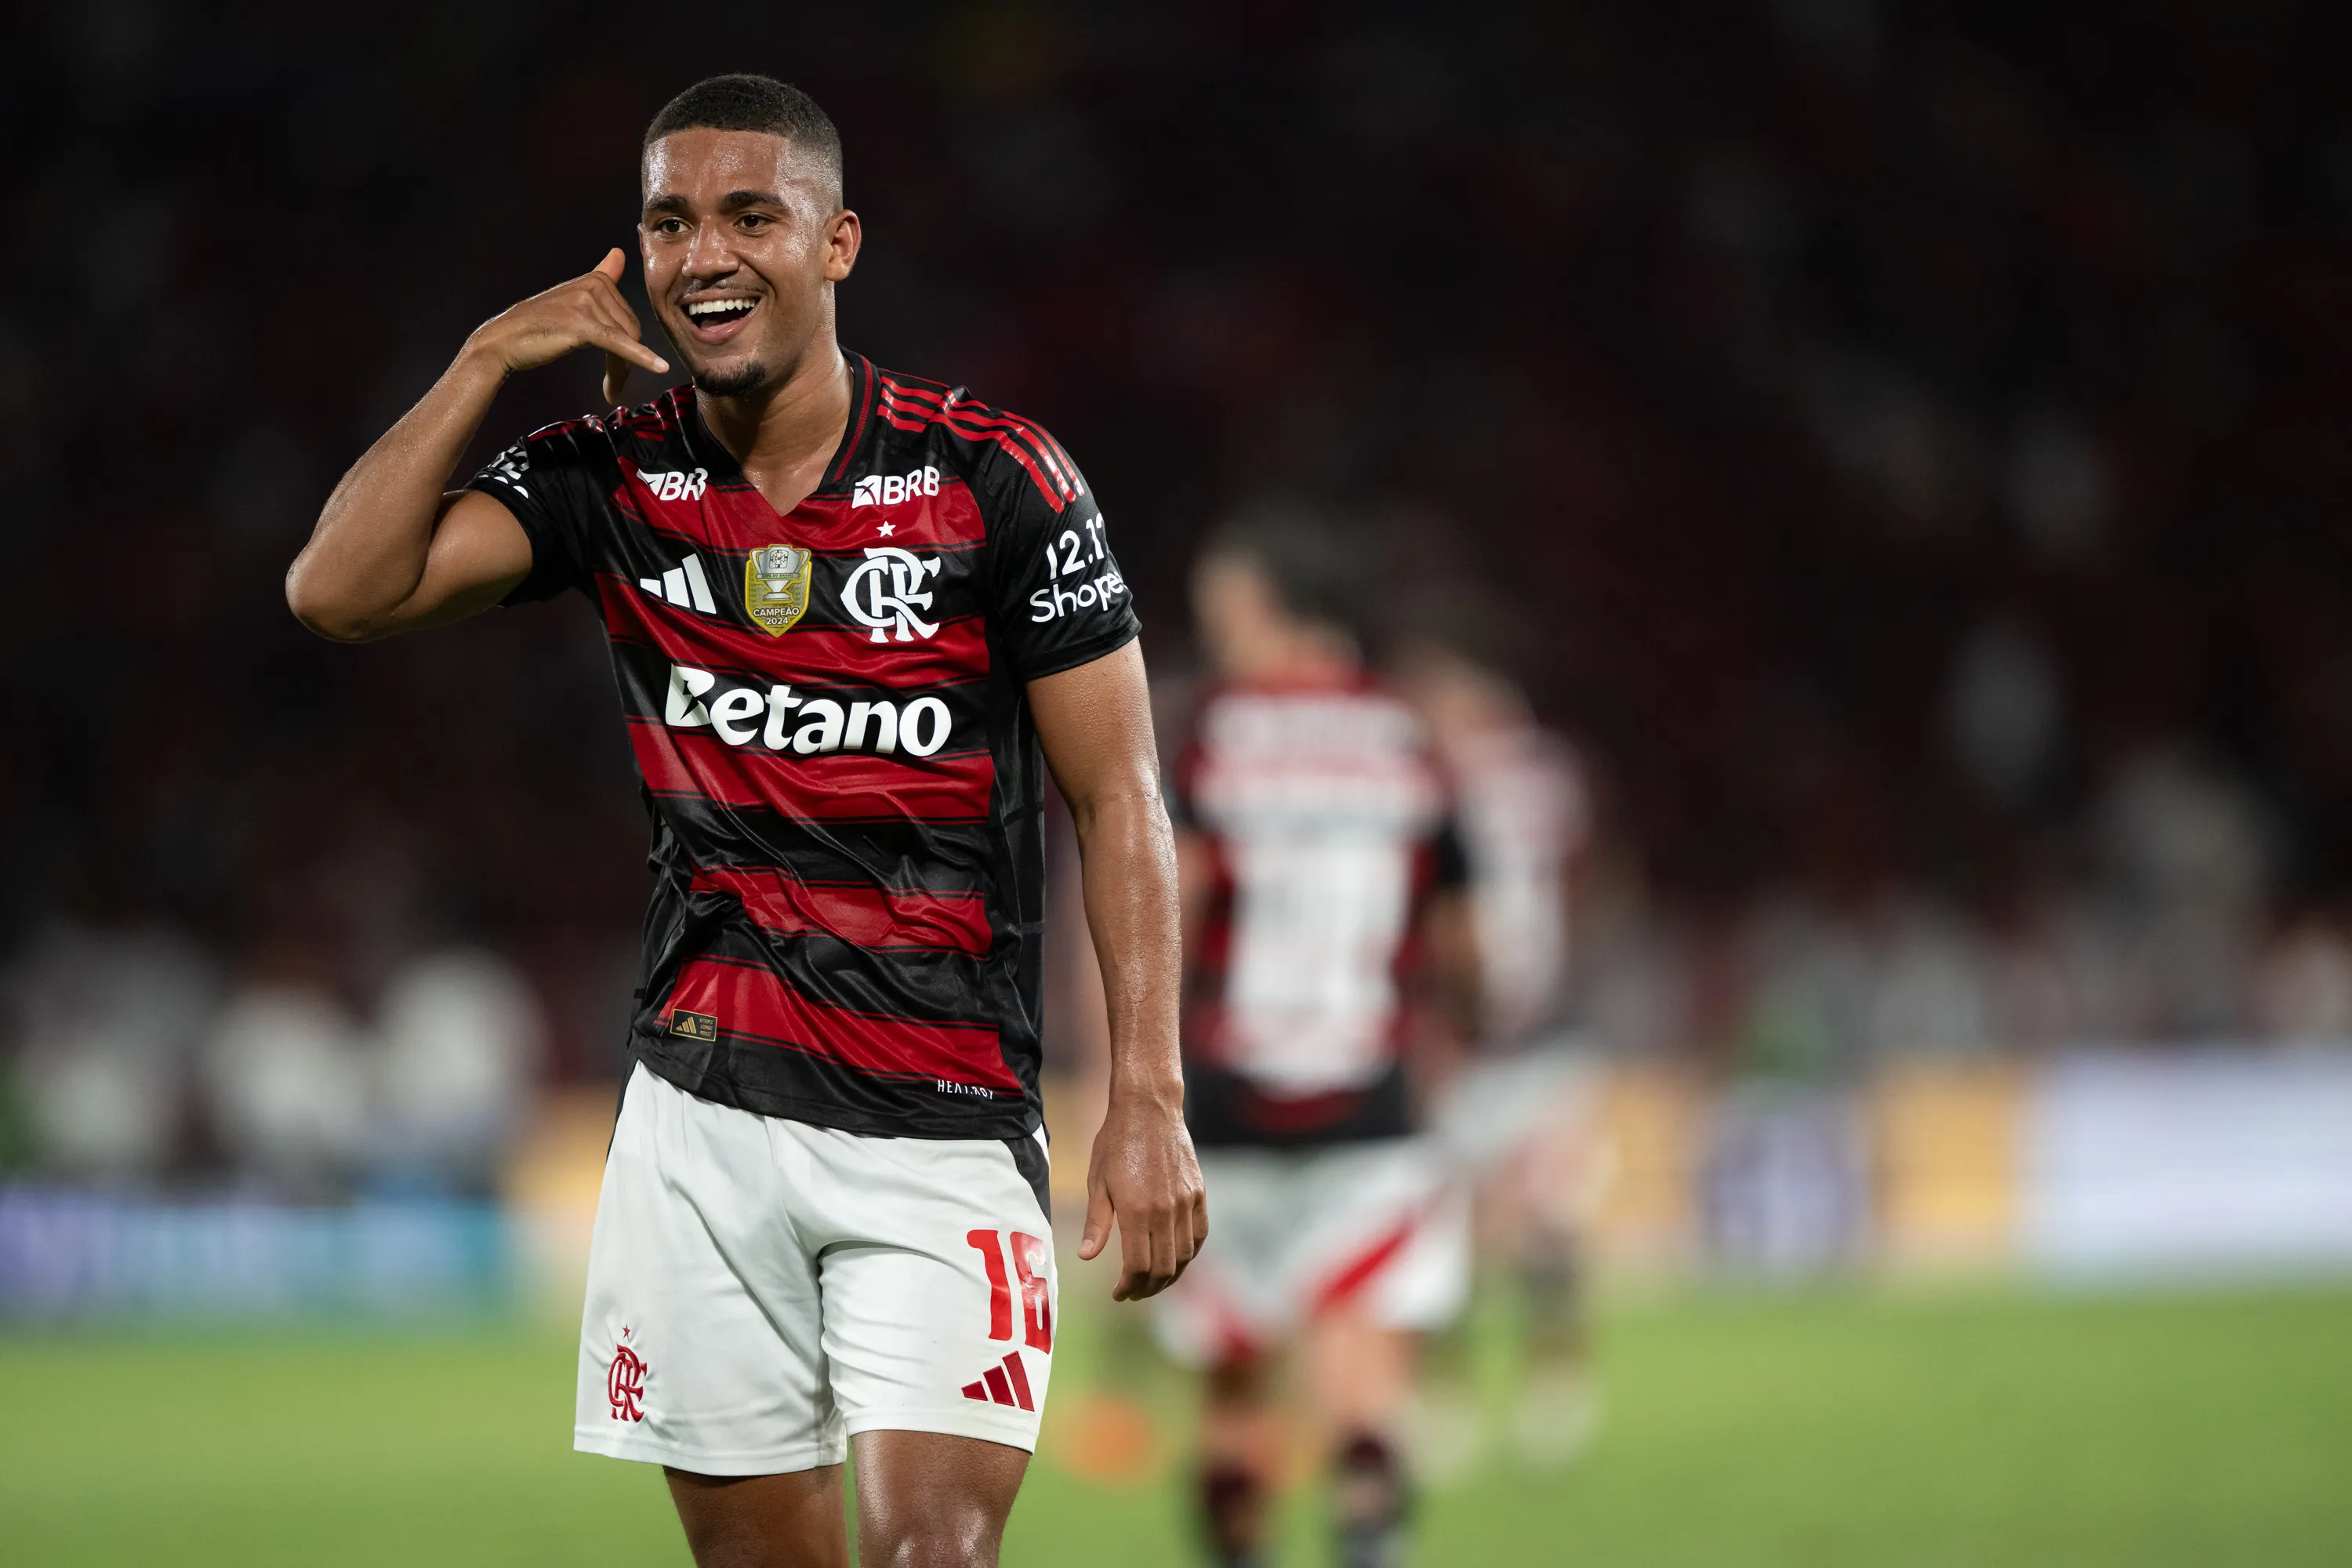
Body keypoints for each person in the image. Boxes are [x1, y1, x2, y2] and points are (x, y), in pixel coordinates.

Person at [285, 74, 1205, 1568]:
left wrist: (1147, 1093)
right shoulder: (611, 476)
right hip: (700, 1127)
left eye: (749, 215)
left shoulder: (997, 479)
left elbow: (1122, 796)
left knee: (931, 1554)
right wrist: (483, 358)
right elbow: (338, 590)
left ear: (837, 242)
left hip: (941, 1123)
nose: (703, 253)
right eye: (669, 222)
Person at [1156, 505, 1475, 1568]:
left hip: (1228, 1104)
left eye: (1223, 611)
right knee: (1363, 1392)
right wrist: (1457, 1040)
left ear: (1265, 604)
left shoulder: (1215, 730)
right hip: (1373, 1102)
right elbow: (1462, 941)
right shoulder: (1409, 738)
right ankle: (1370, 1540)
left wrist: (1128, 1077)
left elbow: (1169, 911)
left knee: (1235, 1391)